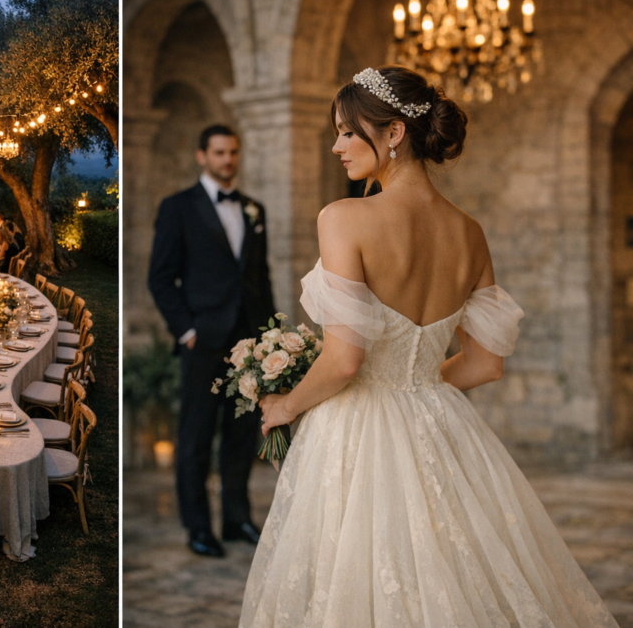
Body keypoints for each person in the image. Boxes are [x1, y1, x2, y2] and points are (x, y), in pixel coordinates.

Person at [239, 66, 619, 627]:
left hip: (355, 432)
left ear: (394, 133)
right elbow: (487, 364)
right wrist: (414, 387)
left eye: (348, 131)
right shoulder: (469, 231)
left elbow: (345, 360)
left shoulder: (343, 218)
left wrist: (284, 406)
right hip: (441, 426)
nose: (337, 146)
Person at [148, 124, 275, 558]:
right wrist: (187, 331)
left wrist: (270, 338)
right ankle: (198, 527)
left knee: (242, 434)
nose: (228, 160)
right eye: (220, 152)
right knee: (196, 437)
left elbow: (261, 278)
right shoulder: (178, 207)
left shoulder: (255, 209)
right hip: (203, 343)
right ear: (202, 155)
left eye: (234, 152)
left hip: (250, 346)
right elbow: (161, 278)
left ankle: (237, 518)